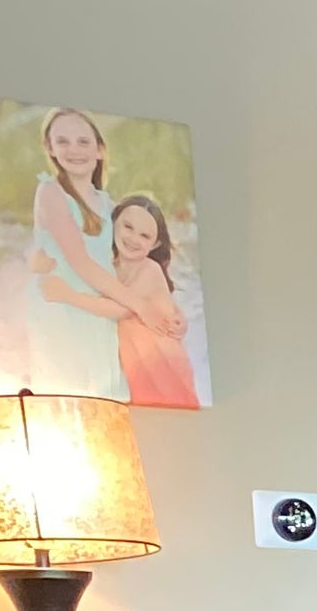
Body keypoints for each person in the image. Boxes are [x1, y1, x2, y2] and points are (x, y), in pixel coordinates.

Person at [21, 108, 135, 397]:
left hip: (97, 309)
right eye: (63, 141)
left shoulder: (109, 206)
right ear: (50, 148)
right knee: (67, 388)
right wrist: (139, 304)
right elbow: (80, 262)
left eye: (83, 142)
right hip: (61, 310)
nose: (74, 150)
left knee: (104, 390)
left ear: (99, 149)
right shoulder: (51, 192)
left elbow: (126, 260)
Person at [106, 191, 198, 407]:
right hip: (136, 365)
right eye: (128, 227)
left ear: (155, 244)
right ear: (114, 223)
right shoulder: (110, 267)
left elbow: (116, 309)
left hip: (161, 366)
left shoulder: (149, 269)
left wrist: (67, 294)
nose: (133, 239)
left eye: (144, 236)